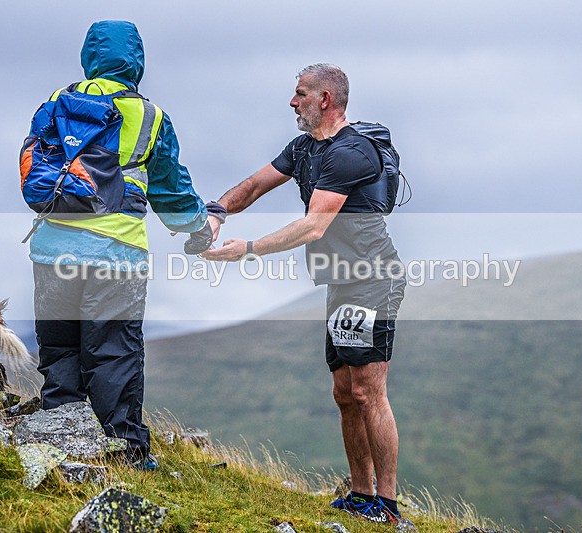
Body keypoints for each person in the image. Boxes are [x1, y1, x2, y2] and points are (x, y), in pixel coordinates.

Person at [203, 63, 406, 524]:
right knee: (342, 390)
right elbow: (255, 185)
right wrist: (216, 212)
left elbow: (315, 225)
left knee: (367, 390)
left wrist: (248, 249)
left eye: (300, 94)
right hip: (340, 280)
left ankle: (388, 506)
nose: (292, 102)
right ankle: (359, 495)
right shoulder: (304, 148)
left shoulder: (352, 152)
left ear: (325, 100)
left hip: (374, 279)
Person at [26, 20, 224, 470]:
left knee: (59, 349)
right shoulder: (150, 117)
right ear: (136, 60)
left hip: (51, 251)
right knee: (114, 352)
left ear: (88, 55)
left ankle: (60, 444)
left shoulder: (57, 102)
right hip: (117, 257)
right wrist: (198, 227)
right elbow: (171, 193)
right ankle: (126, 454)